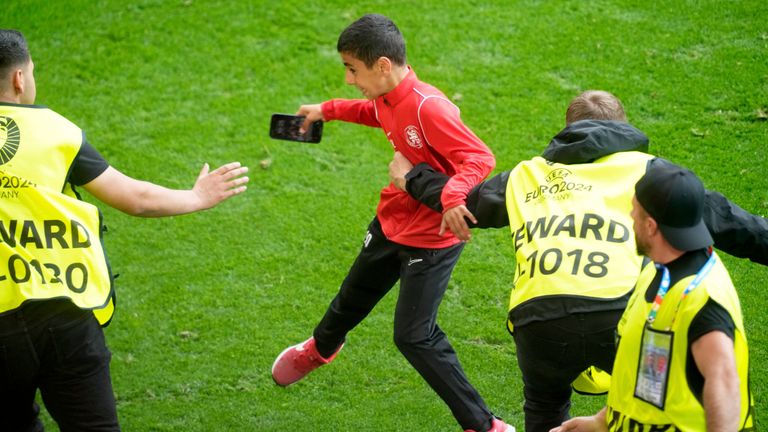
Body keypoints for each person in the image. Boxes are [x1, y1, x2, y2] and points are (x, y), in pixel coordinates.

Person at [389, 90, 767, 431]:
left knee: (546, 410)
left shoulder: (528, 175)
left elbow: (465, 204)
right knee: (645, 405)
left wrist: (412, 178)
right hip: (620, 311)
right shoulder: (652, 173)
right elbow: (736, 224)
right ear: (624, 127)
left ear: (568, 131)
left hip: (537, 318)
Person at [270, 14, 514, 432]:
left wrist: (453, 197)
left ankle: (485, 425)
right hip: (391, 221)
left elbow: (479, 158)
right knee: (351, 298)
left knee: (414, 336)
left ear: (382, 65)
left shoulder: (429, 107)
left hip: (431, 241)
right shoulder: (388, 97)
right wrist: (327, 111)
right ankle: (320, 349)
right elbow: (375, 112)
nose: (349, 79)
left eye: (352, 69)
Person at [0, 29, 249, 431]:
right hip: (66, 315)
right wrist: (197, 196)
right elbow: (135, 198)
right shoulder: (55, 132)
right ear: (19, 79)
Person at [550, 159, 754, 431]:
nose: (630, 218)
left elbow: (726, 387)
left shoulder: (702, 300)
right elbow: (647, 373)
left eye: (634, 211)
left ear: (651, 226)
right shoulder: (656, 272)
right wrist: (601, 422)